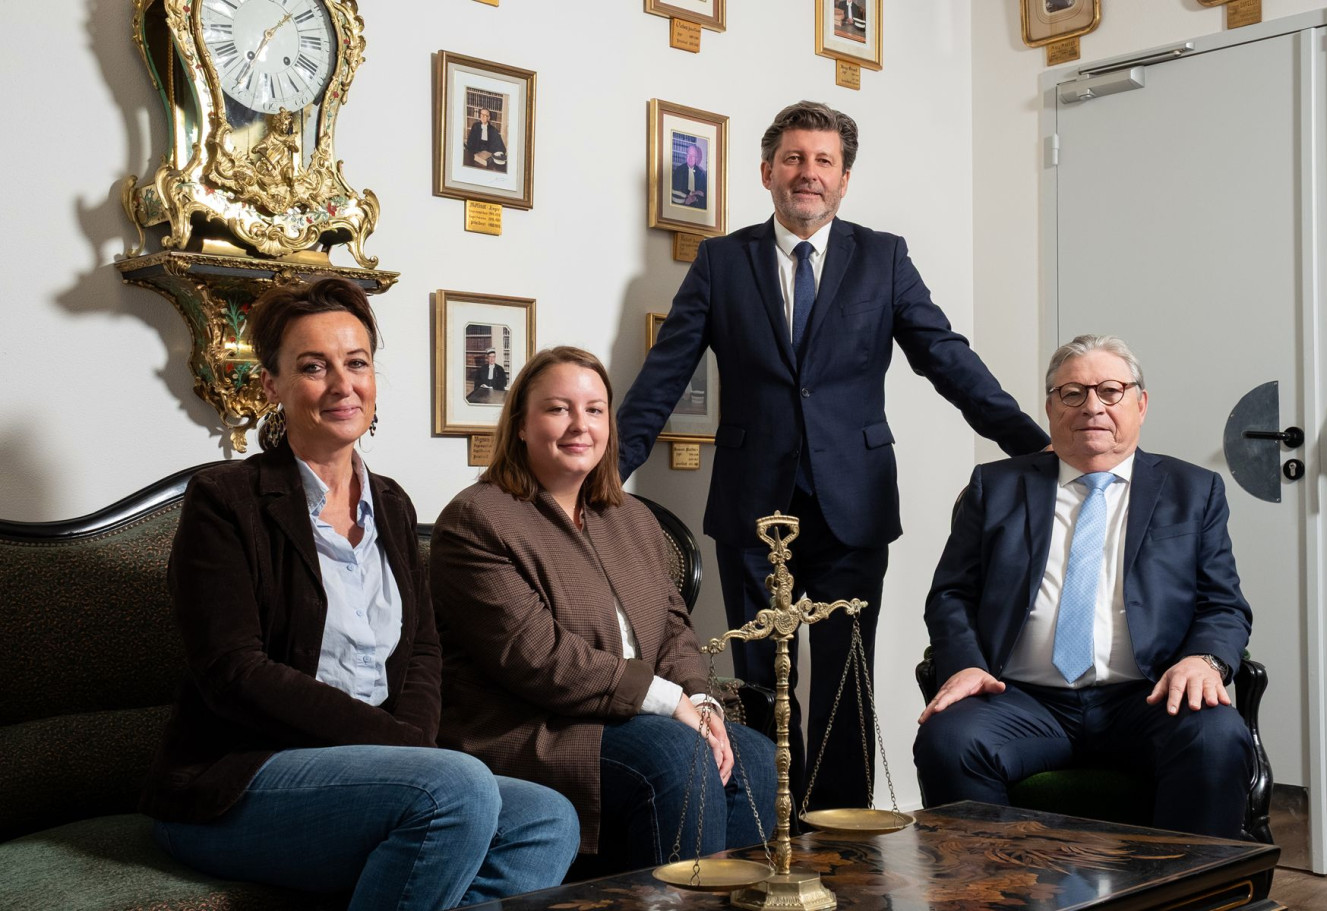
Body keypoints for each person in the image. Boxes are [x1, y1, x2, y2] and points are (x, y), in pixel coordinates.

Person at [616, 100, 1048, 812]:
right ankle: (763, 822)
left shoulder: (883, 258)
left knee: (848, 679)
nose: (806, 174)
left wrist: (1034, 446)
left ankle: (842, 833)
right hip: (753, 506)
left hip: (854, 501)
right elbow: (663, 378)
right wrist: (599, 481)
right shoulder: (723, 262)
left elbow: (946, 358)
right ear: (766, 172)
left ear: (845, 179)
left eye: (823, 161)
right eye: (793, 159)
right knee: (760, 676)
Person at [140, 279, 579, 910]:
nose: (343, 385)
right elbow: (234, 671)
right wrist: (399, 749)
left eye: (357, 363)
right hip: (241, 780)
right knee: (455, 789)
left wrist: (410, 751)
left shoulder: (392, 504)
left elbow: (424, 647)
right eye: (313, 367)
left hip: (386, 771)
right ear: (273, 386)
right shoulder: (225, 501)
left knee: (547, 818)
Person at [430, 346, 777, 873]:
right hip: (535, 727)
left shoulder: (631, 518)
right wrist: (666, 701)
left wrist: (702, 699)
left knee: (752, 757)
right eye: (557, 409)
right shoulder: (477, 520)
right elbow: (538, 658)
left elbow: (674, 630)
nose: (579, 425)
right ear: (521, 425)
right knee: (678, 757)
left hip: (629, 717)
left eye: (594, 410)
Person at [914, 334, 1255, 839]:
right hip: (1022, 699)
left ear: (1141, 404)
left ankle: (1185, 898)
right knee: (949, 740)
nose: (1092, 406)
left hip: (1148, 697)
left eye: (1110, 391)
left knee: (1217, 738)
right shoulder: (997, 487)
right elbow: (951, 595)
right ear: (1051, 408)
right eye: (1072, 393)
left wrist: (1202, 660)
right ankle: (995, 895)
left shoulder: (1193, 491)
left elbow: (1223, 603)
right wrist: (965, 663)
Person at [672, 142, 707, 209]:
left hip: (696, 206)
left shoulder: (701, 174)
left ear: (697, 158)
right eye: (689, 155)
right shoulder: (679, 170)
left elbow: (704, 194)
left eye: (693, 156)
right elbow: (676, 190)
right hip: (681, 206)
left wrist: (695, 198)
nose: (690, 158)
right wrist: (693, 194)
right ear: (686, 156)